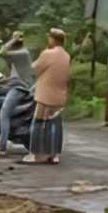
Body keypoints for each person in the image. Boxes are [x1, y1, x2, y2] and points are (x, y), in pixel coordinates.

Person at [0, 32, 35, 158]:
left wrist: (12, 40)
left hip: (19, 88)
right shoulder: (19, 56)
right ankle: (1, 132)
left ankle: (2, 148)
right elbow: (14, 76)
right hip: (15, 85)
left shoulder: (22, 53)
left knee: (4, 113)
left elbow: (1, 52)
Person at [26, 28, 70, 165]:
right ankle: (55, 155)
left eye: (49, 38)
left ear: (53, 39)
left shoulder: (48, 53)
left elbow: (34, 68)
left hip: (45, 94)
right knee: (55, 124)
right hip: (60, 94)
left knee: (38, 123)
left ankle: (34, 154)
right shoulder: (66, 55)